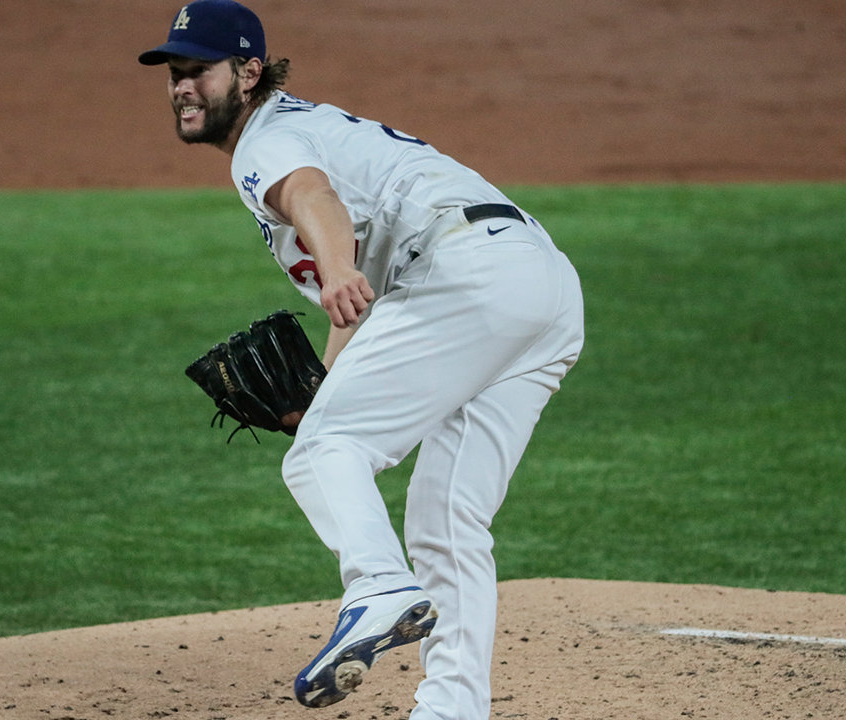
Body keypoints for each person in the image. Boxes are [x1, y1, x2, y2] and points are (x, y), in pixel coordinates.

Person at [139, 2, 584, 718]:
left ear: (249, 73)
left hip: (465, 273)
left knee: (323, 454)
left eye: (198, 71)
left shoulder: (266, 141)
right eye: (173, 75)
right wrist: (325, 384)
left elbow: (315, 200)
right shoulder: (306, 125)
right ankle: (453, 708)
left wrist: (339, 267)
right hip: (540, 288)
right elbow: (364, 309)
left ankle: (377, 585)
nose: (181, 87)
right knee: (445, 519)